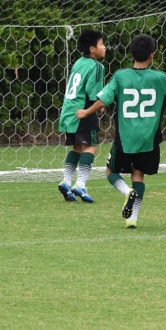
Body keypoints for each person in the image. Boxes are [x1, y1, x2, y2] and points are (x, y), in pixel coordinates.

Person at [77, 34, 166, 228]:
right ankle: (133, 218)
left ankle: (126, 191)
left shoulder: (120, 76)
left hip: (125, 138)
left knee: (110, 171)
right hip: (148, 139)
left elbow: (103, 99)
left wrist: (86, 112)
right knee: (138, 174)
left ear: (131, 54)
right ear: (152, 55)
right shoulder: (159, 78)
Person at [57, 29, 107, 202]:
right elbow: (93, 93)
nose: (105, 47)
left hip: (69, 110)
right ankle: (81, 184)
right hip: (83, 110)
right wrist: (100, 106)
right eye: (102, 44)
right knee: (91, 146)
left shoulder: (79, 62)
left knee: (77, 148)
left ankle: (66, 182)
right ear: (92, 49)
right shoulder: (97, 66)